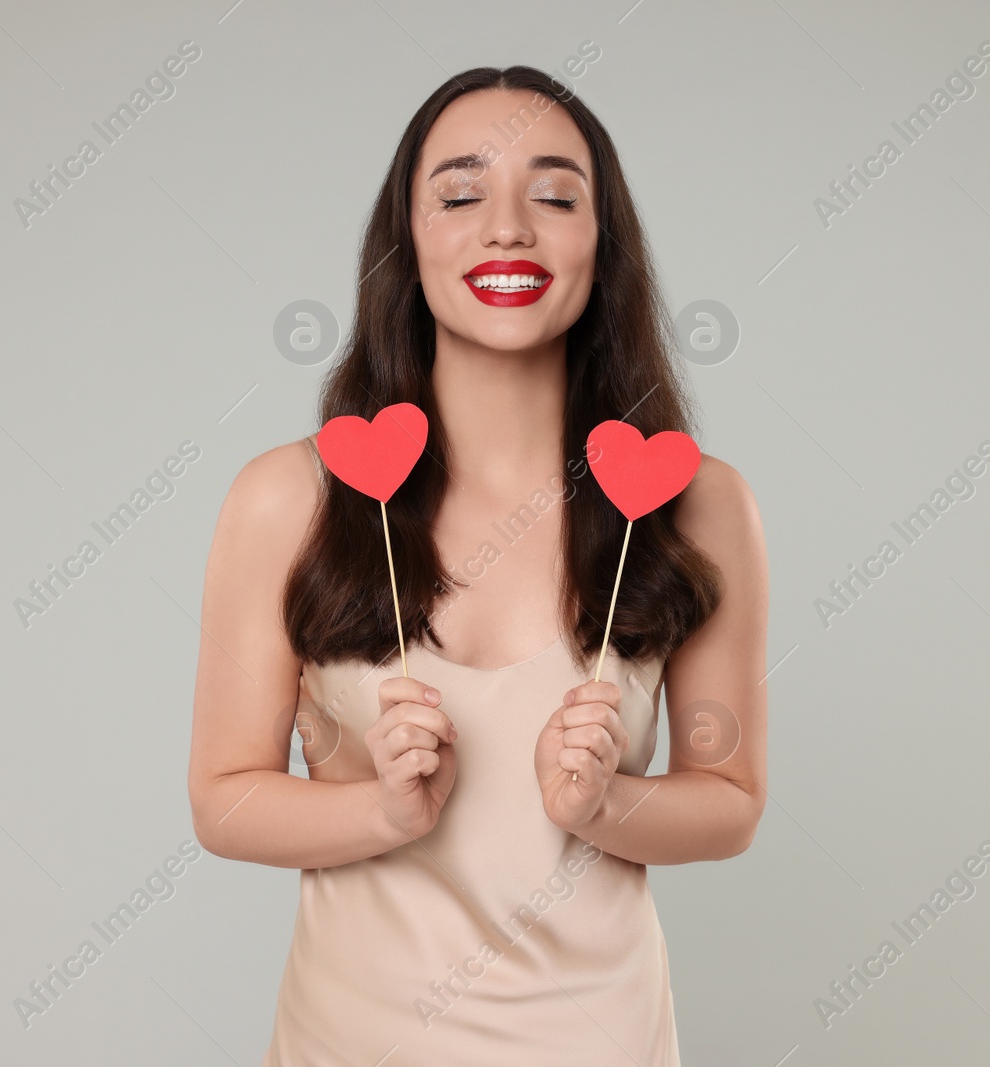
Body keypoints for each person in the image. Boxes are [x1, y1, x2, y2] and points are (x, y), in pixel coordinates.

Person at [187, 64, 768, 1066]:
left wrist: (603, 804)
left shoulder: (697, 503)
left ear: (602, 243)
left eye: (553, 196)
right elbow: (222, 797)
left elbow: (731, 798)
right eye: (460, 195)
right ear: (408, 244)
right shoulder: (289, 498)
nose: (508, 229)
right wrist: (378, 808)